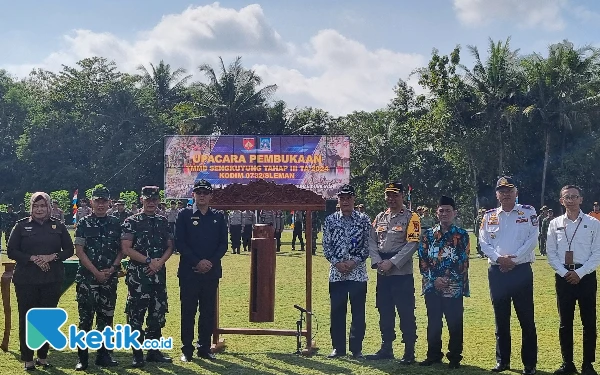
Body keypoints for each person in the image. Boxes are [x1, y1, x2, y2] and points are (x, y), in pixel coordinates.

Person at [6, 192, 74, 370]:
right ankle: (28, 358)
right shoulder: (21, 226)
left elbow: (69, 249)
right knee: (27, 318)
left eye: (43, 206)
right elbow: (12, 250)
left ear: (49, 207)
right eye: (36, 206)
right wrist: (33, 258)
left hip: (51, 279)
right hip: (26, 280)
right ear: (31, 208)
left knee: (47, 319)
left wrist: (52, 256)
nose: (39, 209)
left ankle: (42, 356)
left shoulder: (58, 226)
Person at [479, 176, 538, 375]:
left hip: (520, 270)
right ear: (497, 194)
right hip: (497, 272)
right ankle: (502, 361)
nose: (505, 194)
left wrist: (513, 259)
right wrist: (499, 258)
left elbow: (532, 239)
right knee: (501, 319)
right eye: (501, 190)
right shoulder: (489, 216)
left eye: (509, 190)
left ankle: (529, 364)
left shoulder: (528, 212)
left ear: (516, 192)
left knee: (526, 318)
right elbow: (483, 242)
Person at [546, 186, 600, 375]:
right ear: (561, 201)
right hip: (564, 277)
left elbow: (598, 252)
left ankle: (588, 364)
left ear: (581, 199)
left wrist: (581, 272)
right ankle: (567, 363)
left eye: (574, 197)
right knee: (565, 322)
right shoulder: (554, 224)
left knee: (589, 322)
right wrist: (564, 272)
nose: (570, 200)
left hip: (586, 276)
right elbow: (550, 253)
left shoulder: (593, 223)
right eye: (567, 197)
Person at [366, 181, 421, 364]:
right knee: (384, 310)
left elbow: (412, 244)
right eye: (388, 195)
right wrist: (377, 262)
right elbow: (372, 241)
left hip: (401, 273)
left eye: (395, 195)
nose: (391, 199)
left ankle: (409, 351)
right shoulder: (380, 217)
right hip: (382, 271)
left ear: (402, 196)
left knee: (405, 312)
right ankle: (386, 347)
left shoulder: (411, 217)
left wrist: (393, 262)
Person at [121, 186, 174, 367]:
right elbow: (126, 248)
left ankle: (154, 351)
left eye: (154, 199)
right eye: (147, 199)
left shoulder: (162, 221)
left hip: (158, 275)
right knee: (136, 314)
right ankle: (137, 354)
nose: (151, 202)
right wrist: (149, 261)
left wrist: (159, 263)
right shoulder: (131, 221)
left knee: (157, 313)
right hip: (139, 276)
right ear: (141, 200)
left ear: (158, 200)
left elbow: (170, 246)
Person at [176, 180, 228, 362]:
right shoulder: (183, 215)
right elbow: (180, 243)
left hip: (211, 272)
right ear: (193, 195)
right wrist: (197, 262)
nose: (202, 195)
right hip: (189, 272)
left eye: (205, 192)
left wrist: (209, 262)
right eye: (199, 192)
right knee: (188, 312)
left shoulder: (218, 216)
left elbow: (223, 244)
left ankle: (204, 348)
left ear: (211, 195)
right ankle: (187, 350)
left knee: (207, 312)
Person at [73, 187, 123, 370]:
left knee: (106, 318)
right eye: (97, 201)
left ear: (109, 202)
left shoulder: (117, 223)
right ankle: (82, 358)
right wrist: (96, 272)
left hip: (109, 278)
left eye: (104, 201)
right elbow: (79, 251)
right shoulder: (84, 223)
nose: (101, 204)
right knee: (85, 319)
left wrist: (112, 269)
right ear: (91, 202)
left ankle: (104, 355)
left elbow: (122, 249)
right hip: (88, 279)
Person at [418, 196, 470, 369]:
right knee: (433, 321)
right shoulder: (428, 235)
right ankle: (433, 355)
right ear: (436, 213)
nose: (445, 214)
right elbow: (422, 260)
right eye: (441, 210)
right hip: (432, 286)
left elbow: (463, 260)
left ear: (454, 213)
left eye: (448, 210)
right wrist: (435, 279)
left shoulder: (461, 235)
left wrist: (447, 278)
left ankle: (455, 357)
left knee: (454, 322)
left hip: (453, 286)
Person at [322, 184, 371, 359]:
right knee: (337, 312)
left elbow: (367, 246)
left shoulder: (364, 220)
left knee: (358, 312)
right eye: (342, 198)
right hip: (337, 274)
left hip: (357, 273)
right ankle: (338, 348)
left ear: (354, 199)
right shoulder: (330, 220)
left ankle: (356, 349)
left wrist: (354, 261)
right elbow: (326, 246)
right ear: (338, 200)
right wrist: (337, 263)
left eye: (349, 198)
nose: (345, 201)